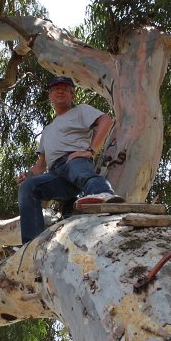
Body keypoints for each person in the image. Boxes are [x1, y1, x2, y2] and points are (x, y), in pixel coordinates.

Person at [16, 76, 124, 243]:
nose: (60, 91)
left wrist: (91, 150)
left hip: (74, 159)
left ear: (72, 95)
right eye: (56, 89)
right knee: (28, 188)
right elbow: (40, 165)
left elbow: (106, 121)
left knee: (83, 175)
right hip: (56, 174)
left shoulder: (81, 110)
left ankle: (105, 197)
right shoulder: (47, 130)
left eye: (66, 89)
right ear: (50, 96)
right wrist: (28, 174)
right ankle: (32, 244)